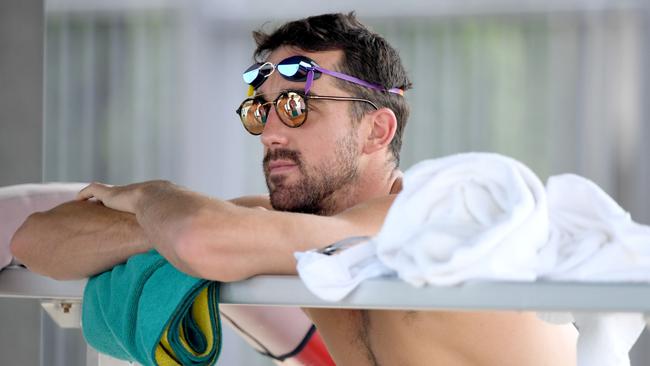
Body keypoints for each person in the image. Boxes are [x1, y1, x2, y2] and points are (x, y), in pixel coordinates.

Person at [11, 12, 577, 366]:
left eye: (297, 106)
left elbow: (201, 238)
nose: (271, 131)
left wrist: (148, 194)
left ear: (377, 129)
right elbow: (36, 241)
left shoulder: (439, 216)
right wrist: (151, 226)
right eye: (261, 110)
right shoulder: (305, 233)